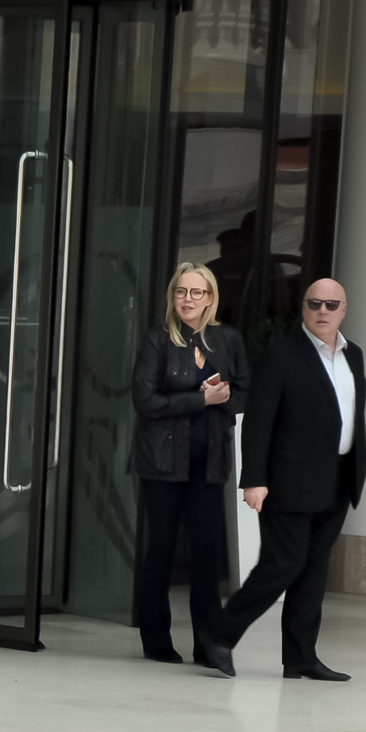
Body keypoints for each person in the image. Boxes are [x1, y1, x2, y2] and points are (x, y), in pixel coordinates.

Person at [199, 277, 366, 682]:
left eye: (331, 305)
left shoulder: (354, 355)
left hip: (338, 479)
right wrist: (254, 479)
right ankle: (218, 634)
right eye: (314, 304)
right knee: (282, 565)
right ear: (304, 309)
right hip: (289, 480)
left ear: (344, 310)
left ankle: (301, 657)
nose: (322, 311)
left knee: (312, 571)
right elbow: (258, 422)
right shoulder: (282, 355)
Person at [129, 263, 251, 664]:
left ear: (211, 298)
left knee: (207, 554)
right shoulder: (158, 340)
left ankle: (207, 644)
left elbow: (245, 393)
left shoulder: (228, 339)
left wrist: (222, 395)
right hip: (161, 464)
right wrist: (199, 399)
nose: (188, 300)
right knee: (161, 549)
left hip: (209, 463)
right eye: (181, 292)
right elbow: (145, 402)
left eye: (197, 293)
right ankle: (156, 641)